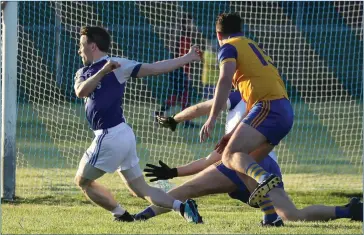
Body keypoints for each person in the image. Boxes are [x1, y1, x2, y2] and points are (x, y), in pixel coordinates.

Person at [135, 92, 363, 225]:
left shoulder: (240, 94)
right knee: (293, 215)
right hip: (267, 164)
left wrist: (175, 119)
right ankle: (348, 211)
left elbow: (200, 109)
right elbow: (211, 159)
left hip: (243, 164)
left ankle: (140, 217)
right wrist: (174, 171)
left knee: (187, 190)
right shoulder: (273, 102)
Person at [73, 26, 202, 223]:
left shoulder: (119, 65)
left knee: (82, 182)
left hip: (111, 136)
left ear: (92, 46)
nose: (79, 50)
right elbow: (81, 91)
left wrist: (187, 57)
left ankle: (121, 214)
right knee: (140, 189)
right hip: (121, 134)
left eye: (82, 45)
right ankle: (183, 207)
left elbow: (154, 68)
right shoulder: (83, 72)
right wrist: (102, 72)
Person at [199, 13, 293, 206]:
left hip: (269, 107)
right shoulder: (250, 45)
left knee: (228, 155)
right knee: (242, 163)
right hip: (281, 109)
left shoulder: (228, 46)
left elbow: (224, 80)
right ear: (241, 30)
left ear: (218, 35)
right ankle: (271, 215)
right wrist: (232, 134)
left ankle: (264, 178)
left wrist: (212, 117)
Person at [154, 13, 199, 128]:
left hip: (178, 70)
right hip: (179, 71)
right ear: (186, 24)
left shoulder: (184, 37)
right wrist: (186, 72)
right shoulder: (183, 38)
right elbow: (183, 57)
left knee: (178, 96)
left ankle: (159, 113)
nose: (193, 25)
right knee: (183, 96)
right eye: (190, 22)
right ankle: (186, 121)